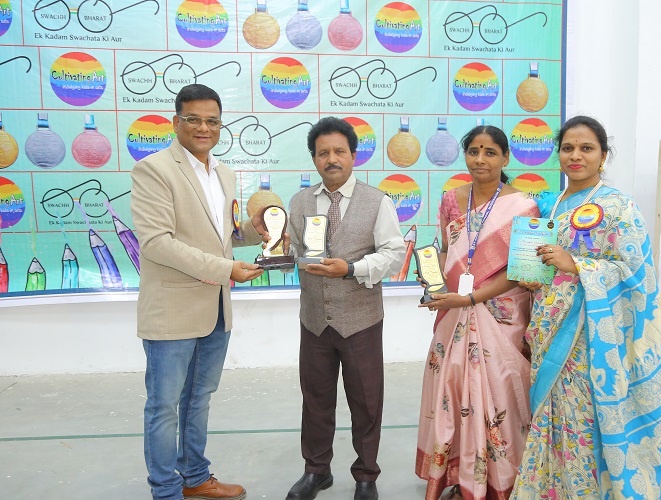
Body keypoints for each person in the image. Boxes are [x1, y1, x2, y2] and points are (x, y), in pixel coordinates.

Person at [511, 116, 661, 499]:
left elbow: (638, 274)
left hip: (589, 337)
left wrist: (578, 265)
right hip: (547, 326)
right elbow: (546, 265)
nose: (575, 156)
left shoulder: (619, 207)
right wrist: (536, 277)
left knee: (580, 420)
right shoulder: (552, 205)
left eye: (586, 148)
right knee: (548, 414)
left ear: (603, 156)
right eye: (568, 148)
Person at [131, 84, 269, 500]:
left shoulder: (224, 173)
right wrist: (227, 269)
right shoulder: (154, 170)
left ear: (220, 126)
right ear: (176, 122)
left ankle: (194, 477)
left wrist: (255, 230)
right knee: (163, 407)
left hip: (216, 309)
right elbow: (157, 243)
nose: (203, 128)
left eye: (212, 121)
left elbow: (223, 234)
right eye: (193, 119)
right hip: (172, 310)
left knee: (199, 400)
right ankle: (166, 490)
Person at [415, 125, 539, 499]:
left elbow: (521, 272)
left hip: (502, 316)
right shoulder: (451, 200)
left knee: (500, 394)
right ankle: (460, 478)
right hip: (453, 313)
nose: (480, 159)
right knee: (452, 391)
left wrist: (470, 299)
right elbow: (446, 252)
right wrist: (433, 281)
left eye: (490, 152)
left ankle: (500, 482)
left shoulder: (524, 206)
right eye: (473, 151)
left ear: (505, 157)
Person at [285, 116, 406, 500]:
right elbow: (293, 252)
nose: (331, 159)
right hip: (314, 321)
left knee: (366, 402)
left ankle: (366, 475)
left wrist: (351, 269)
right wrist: (277, 251)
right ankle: (316, 471)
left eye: (339, 151)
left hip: (361, 321)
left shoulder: (377, 201)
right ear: (314, 159)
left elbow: (394, 254)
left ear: (354, 155)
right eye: (323, 153)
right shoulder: (299, 202)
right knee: (315, 400)